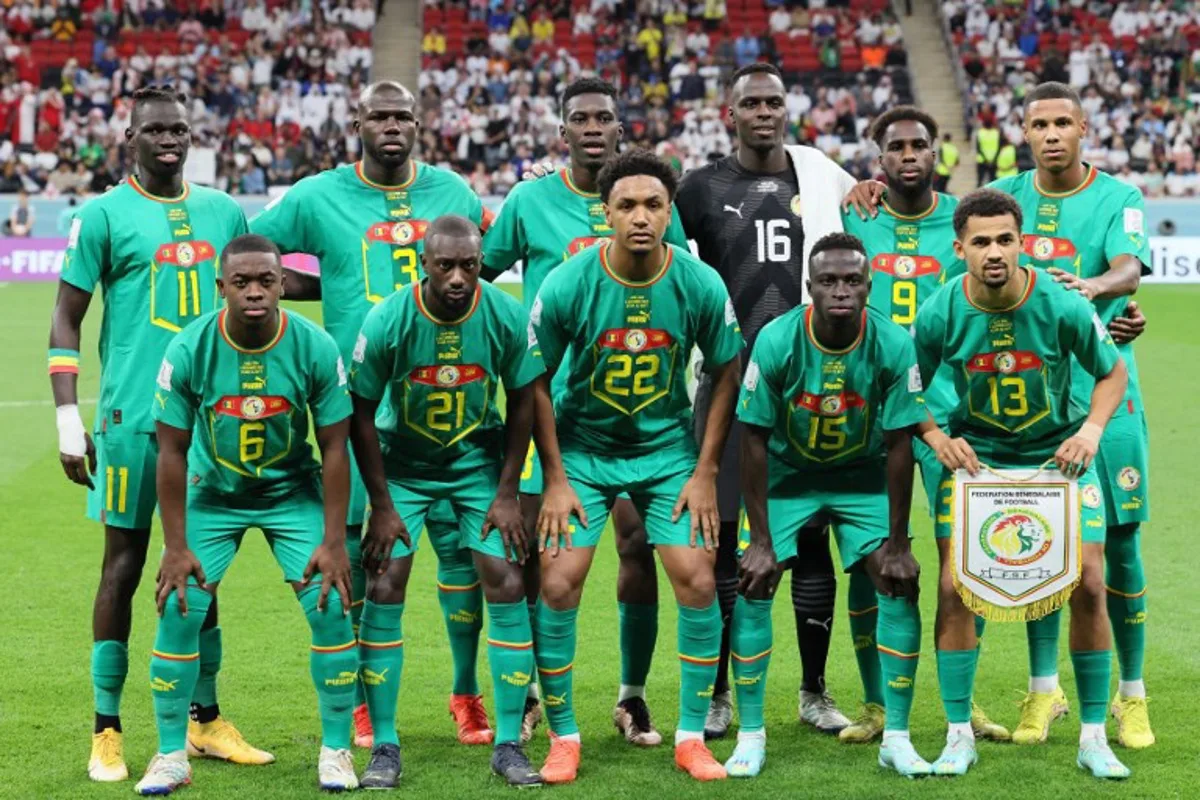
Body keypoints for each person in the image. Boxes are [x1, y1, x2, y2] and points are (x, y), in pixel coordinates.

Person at [250, 80, 499, 756]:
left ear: (420, 124)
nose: (391, 125)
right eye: (378, 115)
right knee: (365, 562)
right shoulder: (317, 195)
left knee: (462, 559)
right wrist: (317, 286)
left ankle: (466, 690)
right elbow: (252, 253)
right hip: (358, 410)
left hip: (446, 411)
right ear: (356, 121)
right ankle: (362, 703)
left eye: (403, 116)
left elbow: (488, 265)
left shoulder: (453, 192)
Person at [49, 86, 267, 784]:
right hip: (130, 421)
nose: (169, 140)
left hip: (210, 423)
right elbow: (65, 320)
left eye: (179, 129)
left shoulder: (224, 210)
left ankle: (204, 720)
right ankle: (106, 729)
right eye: (155, 130)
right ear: (130, 136)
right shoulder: (103, 216)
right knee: (122, 565)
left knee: (201, 567)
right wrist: (65, 418)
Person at [673, 62, 879, 739]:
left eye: (775, 102)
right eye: (751, 103)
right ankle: (721, 691)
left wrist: (874, 188)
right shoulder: (698, 189)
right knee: (728, 538)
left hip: (810, 384)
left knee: (812, 537)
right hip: (730, 382)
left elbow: (876, 214)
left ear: (788, 110)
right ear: (729, 113)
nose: (765, 112)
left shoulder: (819, 174)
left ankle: (814, 691)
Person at [482, 76, 689, 748]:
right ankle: (543, 693)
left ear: (619, 127)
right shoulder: (529, 199)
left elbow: (678, 273)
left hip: (642, 414)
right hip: (556, 417)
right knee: (551, 563)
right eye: (581, 118)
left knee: (638, 546)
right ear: (561, 129)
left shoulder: (650, 198)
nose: (593, 127)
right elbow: (477, 277)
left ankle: (632, 697)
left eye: (605, 116)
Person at [529, 149, 744, 783]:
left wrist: (704, 471)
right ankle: (565, 737)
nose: (641, 217)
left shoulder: (698, 282)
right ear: (607, 212)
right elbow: (534, 377)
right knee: (560, 583)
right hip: (585, 454)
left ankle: (689, 738)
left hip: (666, 455)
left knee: (698, 581)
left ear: (669, 210)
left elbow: (727, 369)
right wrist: (556, 478)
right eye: (627, 206)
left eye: (653, 204)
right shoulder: (570, 280)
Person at [914, 188, 1132, 779]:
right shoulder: (938, 309)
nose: (994, 252)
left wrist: (1090, 430)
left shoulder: (1062, 303)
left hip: (1054, 462)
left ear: (1022, 243)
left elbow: (1111, 374)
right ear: (958, 249)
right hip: (978, 465)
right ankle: (959, 735)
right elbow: (907, 387)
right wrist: (937, 439)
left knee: (1090, 581)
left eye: (1005, 240)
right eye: (980, 241)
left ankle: (1092, 736)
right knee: (954, 587)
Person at [135, 235, 359, 794]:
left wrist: (334, 542)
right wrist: (176, 546)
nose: (255, 292)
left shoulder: (312, 344)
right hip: (212, 495)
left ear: (284, 284)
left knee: (331, 605)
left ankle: (335, 750)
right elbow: (171, 452)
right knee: (179, 607)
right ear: (221, 289)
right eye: (242, 283)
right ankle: (170, 754)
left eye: (266, 281)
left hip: (291, 494)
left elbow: (336, 446)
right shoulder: (189, 348)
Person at [348, 214, 548, 788]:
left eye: (470, 265)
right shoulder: (388, 319)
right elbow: (360, 413)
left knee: (507, 579)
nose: (459, 277)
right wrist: (382, 504)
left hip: (475, 468)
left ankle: (509, 742)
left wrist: (508, 491)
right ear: (423, 264)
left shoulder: (504, 314)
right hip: (403, 469)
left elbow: (523, 403)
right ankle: (384, 744)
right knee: (384, 582)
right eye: (446, 266)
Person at [727, 232, 930, 778]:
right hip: (788, 477)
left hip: (861, 478)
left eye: (852, 281)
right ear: (809, 286)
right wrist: (762, 541)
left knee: (899, 582)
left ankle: (899, 737)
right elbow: (750, 438)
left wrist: (898, 542)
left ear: (869, 285)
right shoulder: (776, 340)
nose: (841, 290)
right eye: (829, 281)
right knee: (753, 582)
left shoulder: (892, 342)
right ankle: (750, 735)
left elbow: (899, 442)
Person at [989, 81, 1155, 751]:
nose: (1052, 133)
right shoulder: (1005, 200)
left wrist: (1095, 288)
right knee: (1041, 548)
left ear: (1085, 129)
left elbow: (1129, 267)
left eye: (1064, 122)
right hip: (1033, 405)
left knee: (1119, 548)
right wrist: (867, 192)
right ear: (1022, 133)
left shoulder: (1119, 197)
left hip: (1109, 396)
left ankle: (1132, 696)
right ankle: (1042, 691)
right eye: (1039, 124)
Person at [840, 105, 1010, 744]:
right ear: (877, 157)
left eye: (919, 145)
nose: (908, 155)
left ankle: (964, 706)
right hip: (869, 413)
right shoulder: (855, 214)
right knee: (869, 561)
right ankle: (878, 704)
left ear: (937, 152)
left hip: (948, 414)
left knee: (962, 559)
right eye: (895, 146)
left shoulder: (966, 223)